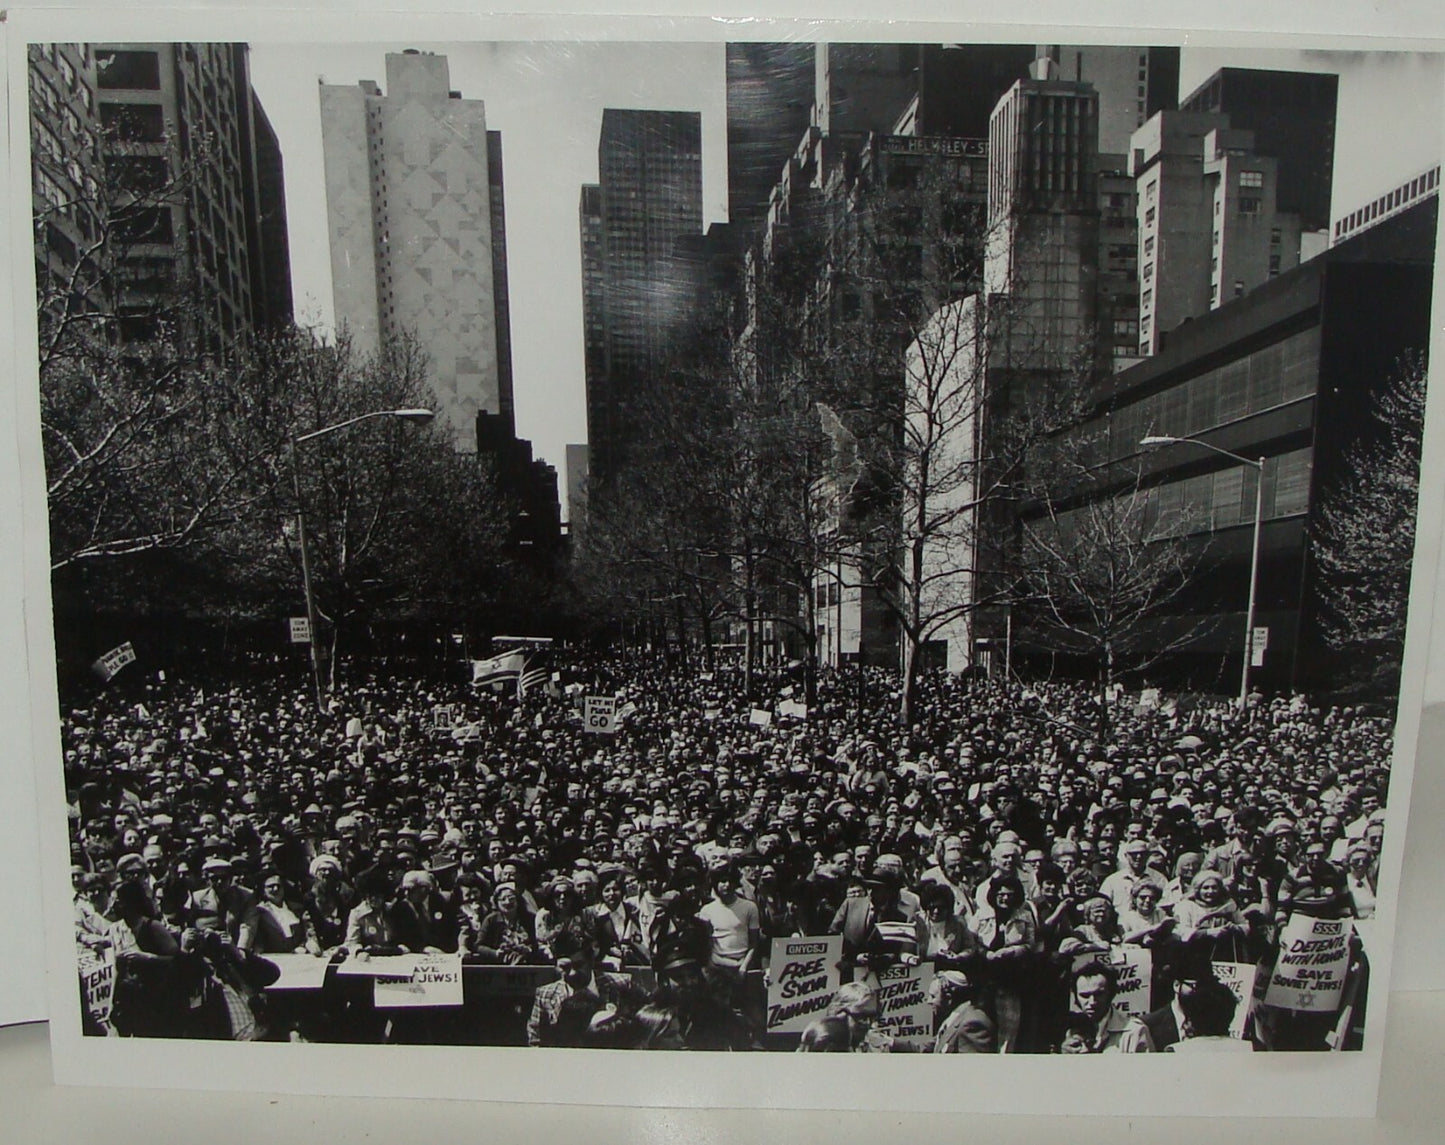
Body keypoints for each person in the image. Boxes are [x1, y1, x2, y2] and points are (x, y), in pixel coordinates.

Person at [526, 933, 641, 1047]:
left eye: (579, 965)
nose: (572, 973)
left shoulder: (622, 984)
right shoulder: (545, 995)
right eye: (564, 967)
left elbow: (642, 1029)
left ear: (591, 961)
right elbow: (535, 1042)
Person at [1070, 961, 1153, 1053]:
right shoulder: (1067, 1030)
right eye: (1085, 996)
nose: (1092, 1002)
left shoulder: (1134, 1031)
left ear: (1111, 994)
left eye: (1099, 994)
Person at [250, 871, 320, 955]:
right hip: (273, 958)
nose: (276, 889)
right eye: (271, 886)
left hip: (299, 956)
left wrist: (304, 946)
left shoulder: (297, 909)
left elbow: (308, 932)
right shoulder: (259, 912)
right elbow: (258, 940)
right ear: (263, 891)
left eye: (279, 886)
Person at [931, 969, 996, 1053]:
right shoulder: (953, 1020)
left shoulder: (972, 1024)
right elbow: (930, 1047)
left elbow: (972, 1065)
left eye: (933, 996)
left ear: (948, 998)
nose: (928, 1001)